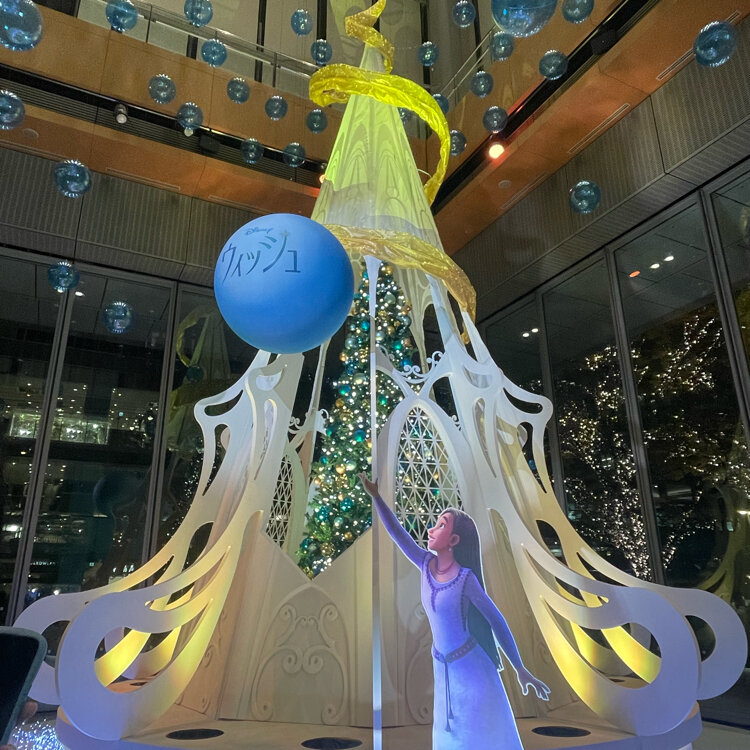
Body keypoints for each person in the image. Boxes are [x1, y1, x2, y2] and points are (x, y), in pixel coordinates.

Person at [359, 473, 549, 750]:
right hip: (444, 669)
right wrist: (376, 497)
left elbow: (496, 620)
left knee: (480, 734)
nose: (431, 530)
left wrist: (519, 668)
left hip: (473, 670)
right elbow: (398, 535)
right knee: (451, 736)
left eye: (440, 525)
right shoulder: (426, 564)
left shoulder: (465, 579)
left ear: (454, 539)